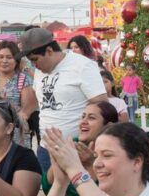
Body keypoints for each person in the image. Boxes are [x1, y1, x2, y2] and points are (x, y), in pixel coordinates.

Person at [17, 27, 107, 172]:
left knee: (80, 193)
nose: (34, 65)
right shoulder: (41, 70)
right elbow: (38, 97)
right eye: (30, 61)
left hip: (76, 149)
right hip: (46, 148)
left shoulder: (82, 66)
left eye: (35, 60)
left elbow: (101, 104)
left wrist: (87, 140)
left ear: (49, 51)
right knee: (51, 192)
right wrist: (23, 113)